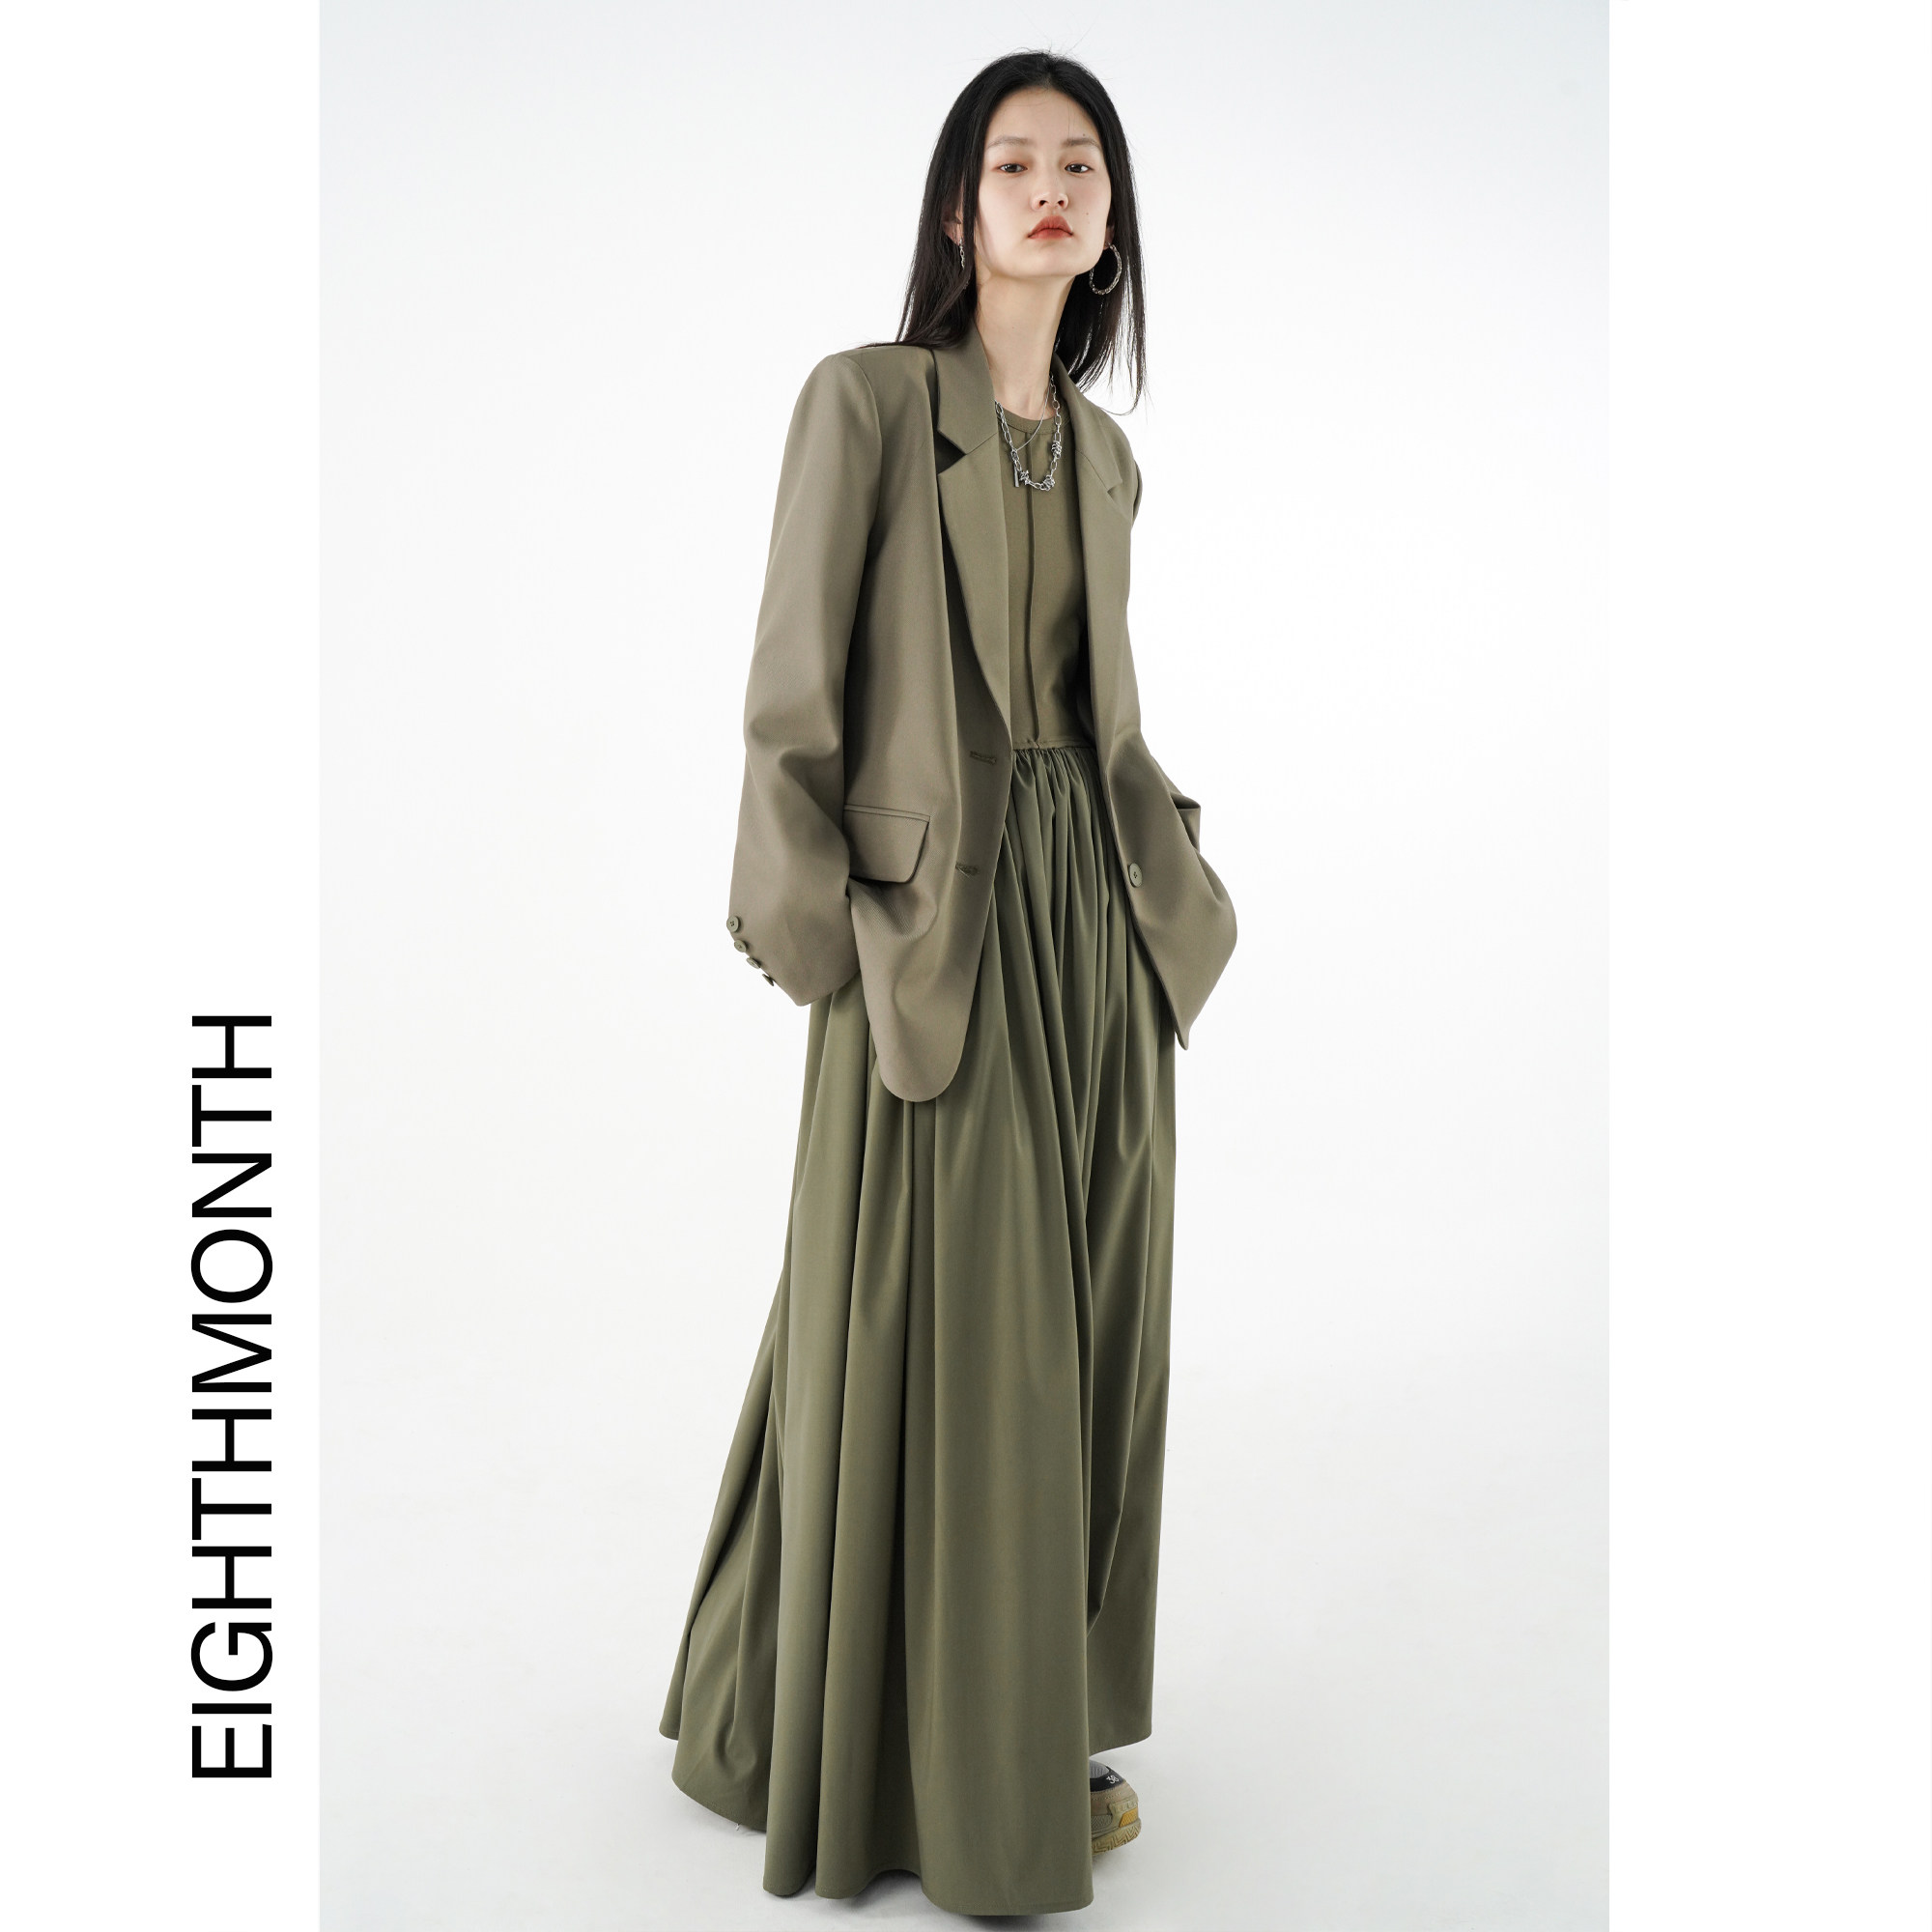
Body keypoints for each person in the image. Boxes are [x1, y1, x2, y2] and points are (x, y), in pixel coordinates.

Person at [658, 48, 1237, 1917]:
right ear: (958, 207)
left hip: (1097, 931)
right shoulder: (868, 403)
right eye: (1015, 162)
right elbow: (790, 696)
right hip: (933, 939)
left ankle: (1025, 1715)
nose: (1051, 188)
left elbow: (1092, 709)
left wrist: (1176, 897)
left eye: (1083, 165)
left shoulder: (1108, 454)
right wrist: (822, 940)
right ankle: (927, 1775)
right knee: (948, 1332)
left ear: (1111, 220)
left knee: (1085, 1337)